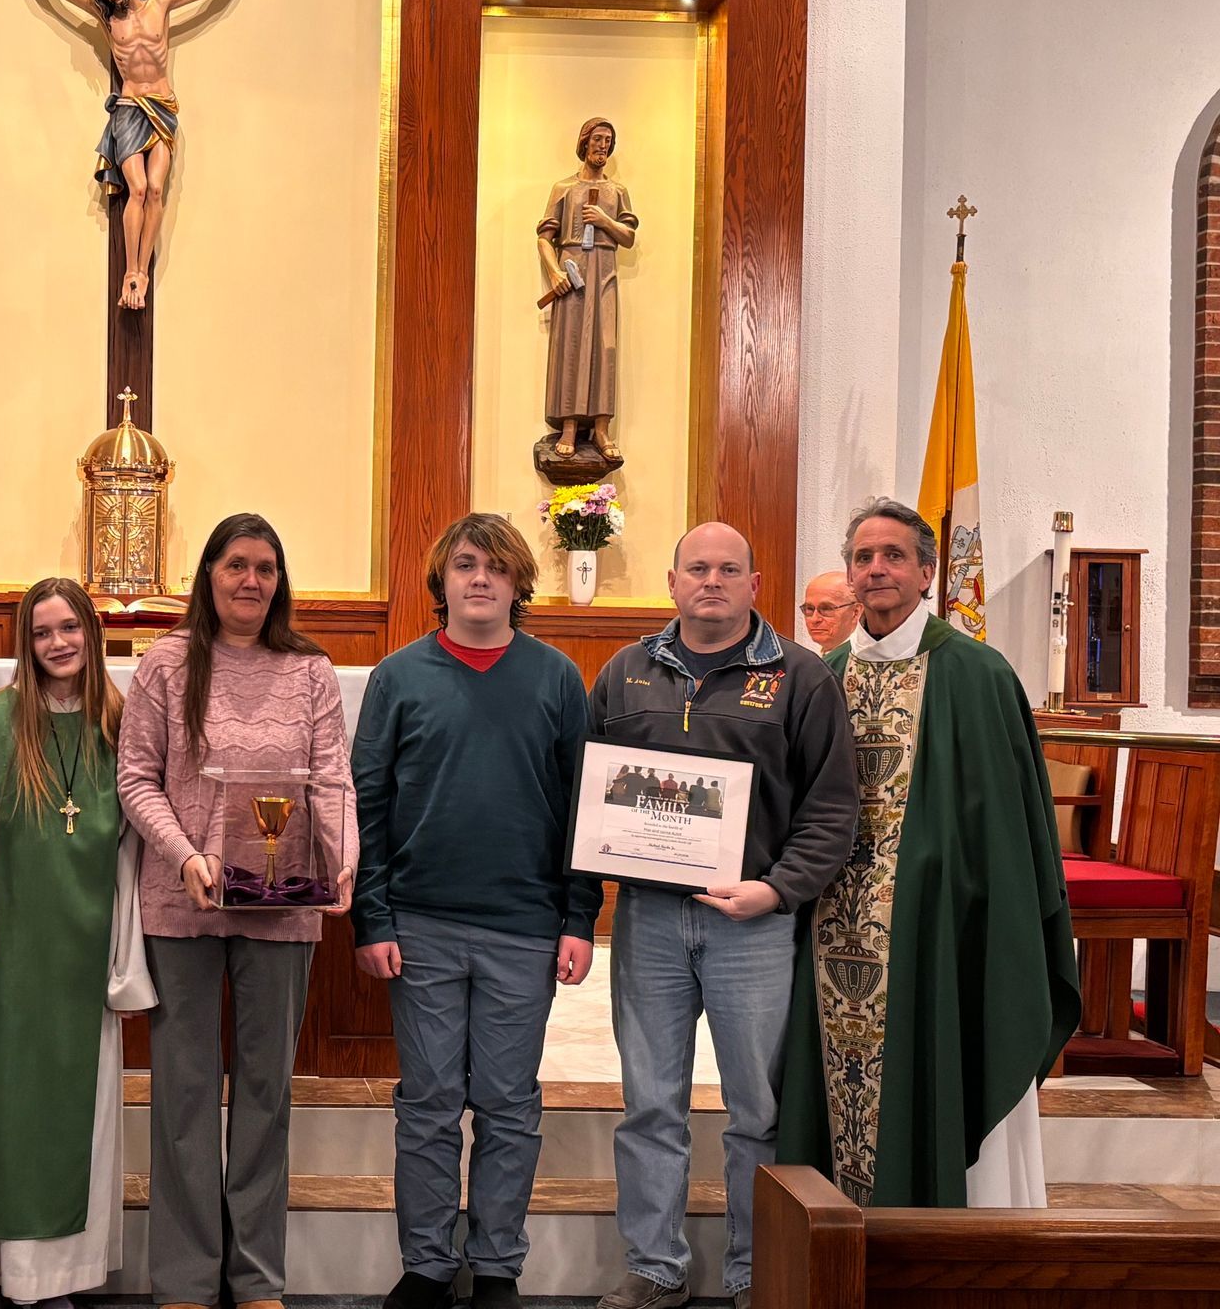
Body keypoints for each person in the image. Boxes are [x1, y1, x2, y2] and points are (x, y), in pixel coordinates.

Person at [779, 498, 1081, 1208]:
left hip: (943, 923)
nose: (876, 569)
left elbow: (1006, 827)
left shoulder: (977, 674)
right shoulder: (824, 676)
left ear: (926, 572)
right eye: (863, 557)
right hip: (832, 920)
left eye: (893, 556)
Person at [588, 522, 857, 1309]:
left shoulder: (801, 677)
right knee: (650, 1103)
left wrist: (777, 890)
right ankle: (654, 1267)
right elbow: (587, 790)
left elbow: (832, 808)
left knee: (758, 1110)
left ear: (754, 584)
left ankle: (753, 1270)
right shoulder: (624, 672)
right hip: (650, 918)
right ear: (672, 582)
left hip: (754, 922)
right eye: (698, 567)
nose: (712, 580)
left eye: (729, 569)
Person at [351, 512, 598, 1309]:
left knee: (507, 1105)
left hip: (523, 926)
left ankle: (496, 1267)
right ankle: (427, 1266)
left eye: (495, 566)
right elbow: (367, 803)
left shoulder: (556, 678)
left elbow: (583, 807)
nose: (480, 578)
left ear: (518, 581)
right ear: (442, 580)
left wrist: (579, 917)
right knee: (427, 1106)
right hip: (419, 922)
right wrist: (372, 918)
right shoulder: (399, 677)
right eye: (465, 564)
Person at [117, 512, 358, 1309]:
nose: (251, 580)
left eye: (265, 567)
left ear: (279, 581)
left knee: (265, 1091)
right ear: (209, 575)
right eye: (236, 565)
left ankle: (256, 1278)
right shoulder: (166, 664)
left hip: (282, 908)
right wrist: (184, 854)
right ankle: (185, 1280)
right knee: (184, 1091)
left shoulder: (310, 670)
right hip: (182, 900)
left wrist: (342, 861)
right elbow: (136, 778)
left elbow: (331, 779)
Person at [0, 578, 157, 1308]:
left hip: (84, 952)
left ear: (92, 634)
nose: (57, 643)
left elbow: (133, 856)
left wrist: (124, 965)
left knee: (72, 1116)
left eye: (69, 628)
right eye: (41, 632)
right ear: (24, 643)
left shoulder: (123, 726)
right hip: (12, 948)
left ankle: (56, 1277)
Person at [0, 0, 273, 309]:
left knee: (156, 189)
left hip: (162, 108)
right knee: (137, 189)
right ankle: (130, 271)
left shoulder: (161, 4)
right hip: (127, 109)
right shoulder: (105, 16)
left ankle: (143, 272)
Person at [539, 118, 638, 459]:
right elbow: (544, 237)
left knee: (605, 345)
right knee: (571, 345)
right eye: (597, 139)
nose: (603, 146)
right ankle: (568, 425)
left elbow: (628, 236)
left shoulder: (617, 192)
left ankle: (601, 428)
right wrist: (554, 272)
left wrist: (604, 220)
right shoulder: (564, 188)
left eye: (608, 140)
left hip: (604, 272)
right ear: (584, 143)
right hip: (573, 269)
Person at [798, 569, 861, 654]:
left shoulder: (866, 657)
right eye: (809, 608)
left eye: (826, 609)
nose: (814, 619)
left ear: (855, 612)